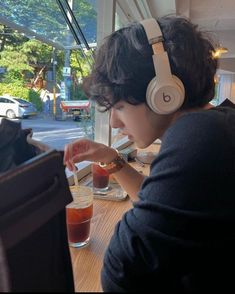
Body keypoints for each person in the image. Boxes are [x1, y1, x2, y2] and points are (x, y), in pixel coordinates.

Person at [64, 15, 235, 293]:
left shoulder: (202, 136)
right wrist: (111, 158)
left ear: (164, 93)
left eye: (119, 107)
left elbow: (123, 271)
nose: (114, 124)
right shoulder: (218, 125)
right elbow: (161, 206)